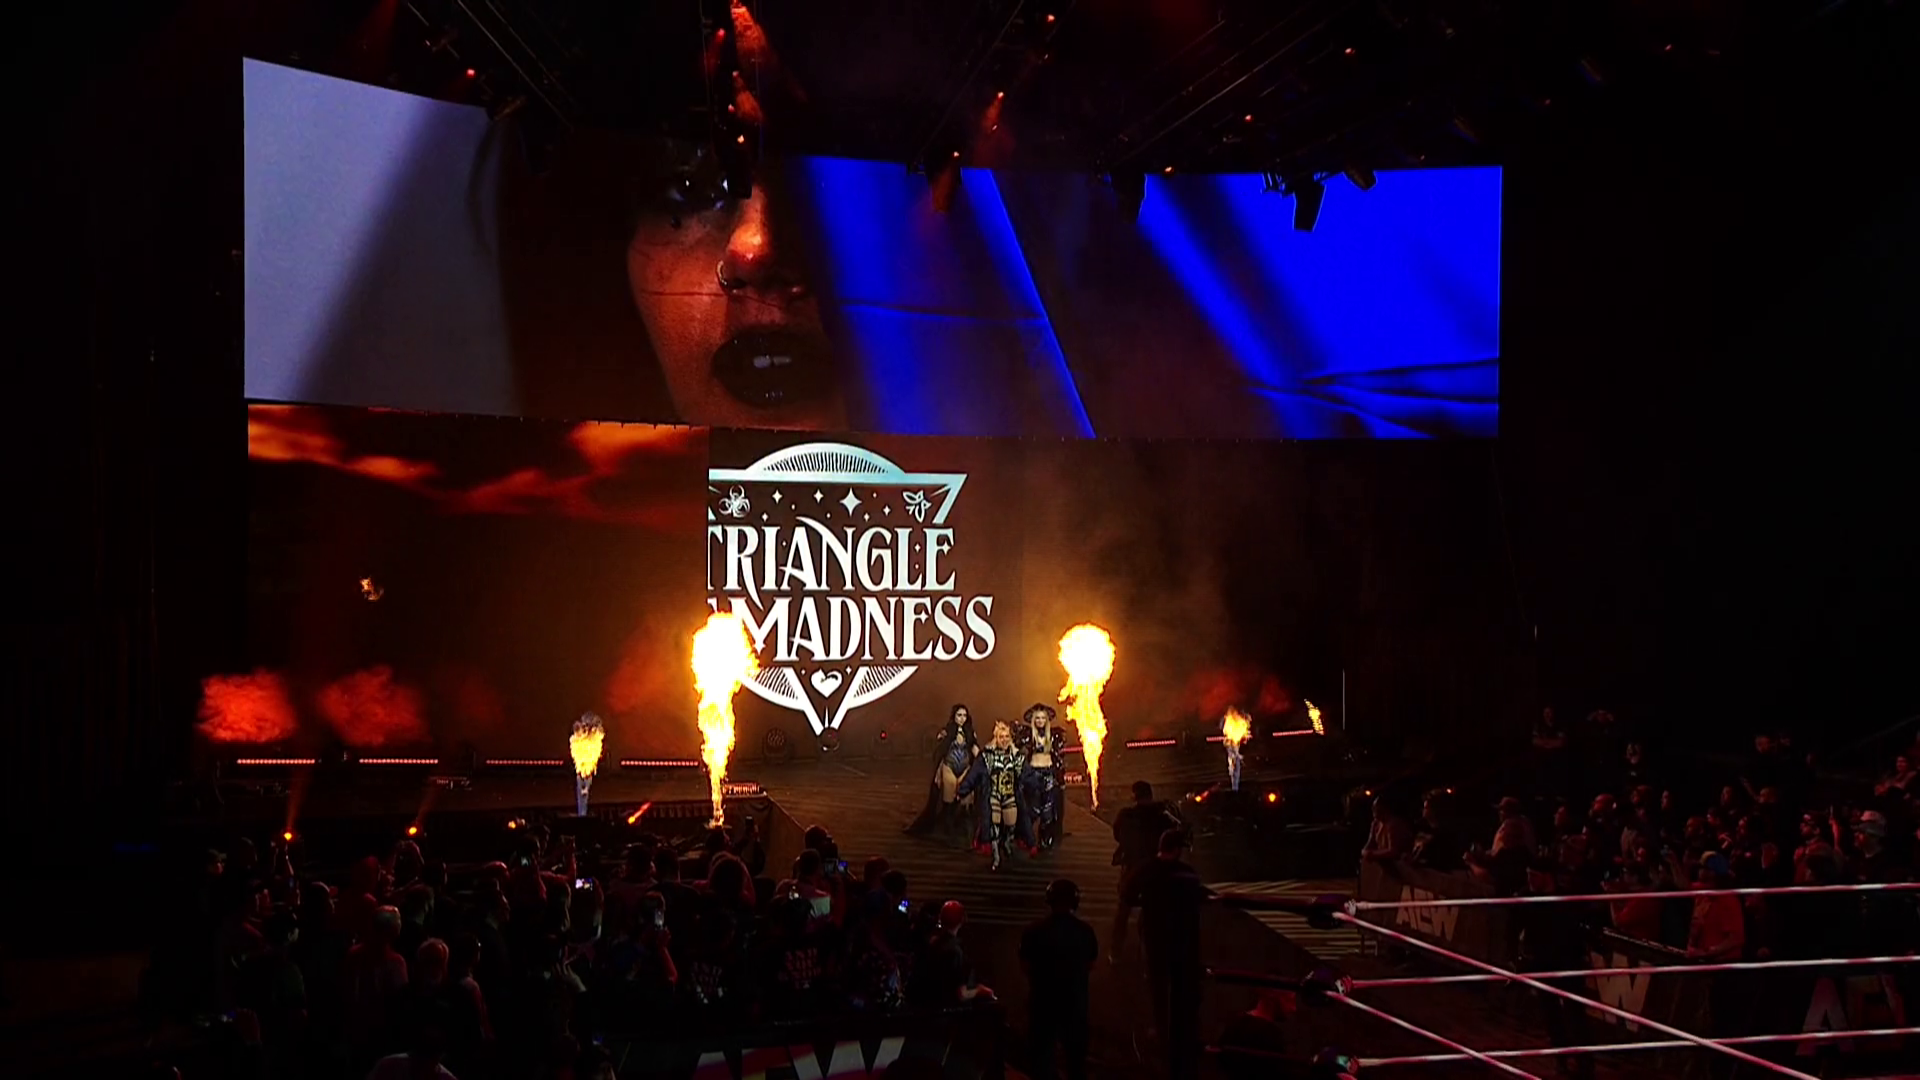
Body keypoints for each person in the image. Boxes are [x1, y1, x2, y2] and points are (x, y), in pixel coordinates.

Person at [1114, 829, 1209, 1080]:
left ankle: (1162, 1033)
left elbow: (1127, 894)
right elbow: (1201, 898)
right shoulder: (1187, 873)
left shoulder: (1145, 869)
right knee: (1184, 985)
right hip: (1185, 938)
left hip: (1155, 936)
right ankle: (1185, 1035)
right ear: (1177, 850)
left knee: (1158, 984)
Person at [1019, 879, 1099, 1080]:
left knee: (1041, 1060)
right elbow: (1091, 964)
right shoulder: (1085, 931)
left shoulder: (1033, 931)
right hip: (1074, 1004)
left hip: (1042, 1003)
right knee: (1076, 1062)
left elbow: (1025, 966)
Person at [906, 705, 978, 843]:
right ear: (954, 716)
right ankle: (947, 828)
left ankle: (962, 830)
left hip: (965, 768)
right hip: (949, 766)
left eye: (964, 715)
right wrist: (939, 769)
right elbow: (940, 749)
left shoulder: (970, 733)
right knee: (948, 799)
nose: (962, 718)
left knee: (965, 800)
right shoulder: (947, 731)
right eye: (959, 715)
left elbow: (975, 748)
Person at [960, 721, 1024, 869]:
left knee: (1011, 824)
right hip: (993, 794)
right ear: (996, 738)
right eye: (1001, 737)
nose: (1004, 740)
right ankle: (996, 856)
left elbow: (1027, 773)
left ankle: (1006, 843)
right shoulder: (986, 756)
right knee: (993, 825)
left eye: (1007, 736)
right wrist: (963, 789)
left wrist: (1037, 783)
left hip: (1009, 795)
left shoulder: (1016, 756)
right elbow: (974, 773)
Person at [906, 901, 992, 1007]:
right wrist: (979, 991)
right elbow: (960, 994)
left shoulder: (930, 945)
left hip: (923, 1008)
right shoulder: (955, 952)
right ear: (962, 920)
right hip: (944, 1011)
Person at [1017, 704, 1069, 851]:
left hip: (1049, 774)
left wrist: (1060, 778)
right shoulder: (1027, 735)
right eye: (1037, 718)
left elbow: (1059, 759)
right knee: (1033, 809)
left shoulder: (1054, 736)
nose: (1040, 721)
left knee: (1048, 811)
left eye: (1043, 718)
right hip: (1033, 774)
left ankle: (1045, 841)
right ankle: (1025, 837)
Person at [1111, 781, 1182, 889]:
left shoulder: (1126, 815)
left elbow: (1117, 835)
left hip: (1134, 864)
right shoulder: (1162, 815)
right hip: (1156, 865)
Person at [1215, 989, 1297, 1080]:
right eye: (1288, 1000)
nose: (1293, 1008)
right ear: (1272, 998)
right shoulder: (1271, 1036)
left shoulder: (1235, 1024)